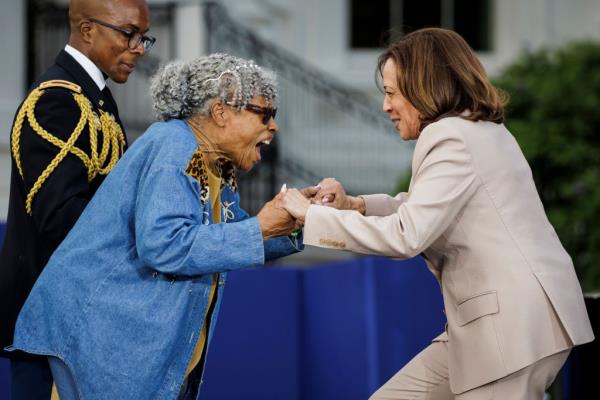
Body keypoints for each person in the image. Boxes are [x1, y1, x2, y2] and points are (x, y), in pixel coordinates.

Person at [280, 27, 594, 399]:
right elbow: (425, 208)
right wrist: (355, 205)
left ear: (422, 87)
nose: (385, 107)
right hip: (506, 325)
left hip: (508, 331)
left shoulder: (449, 136)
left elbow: (407, 235)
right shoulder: (476, 130)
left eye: (391, 93)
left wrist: (312, 217)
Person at [7, 53, 307, 400]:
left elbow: (228, 238)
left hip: (111, 354)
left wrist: (295, 223)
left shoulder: (213, 163)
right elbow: (164, 244)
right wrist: (259, 229)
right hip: (80, 349)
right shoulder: (174, 145)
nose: (274, 127)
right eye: (265, 113)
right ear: (221, 111)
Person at [0, 0, 154, 398]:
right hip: (51, 325)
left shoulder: (92, 96)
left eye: (143, 37)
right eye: (128, 34)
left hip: (82, 321)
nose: (138, 47)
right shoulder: (56, 101)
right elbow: (61, 219)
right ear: (87, 31)